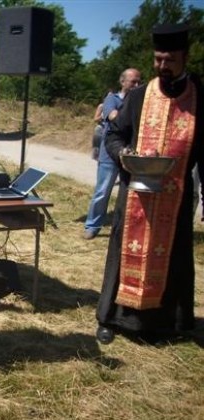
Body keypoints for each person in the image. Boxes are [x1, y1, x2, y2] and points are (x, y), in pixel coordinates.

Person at [95, 23, 204, 345]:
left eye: (169, 60)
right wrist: (125, 154)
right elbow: (114, 135)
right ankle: (111, 320)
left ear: (184, 57)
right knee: (122, 254)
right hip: (135, 195)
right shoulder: (140, 96)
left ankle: (165, 324)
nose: (162, 66)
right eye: (158, 59)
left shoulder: (200, 97)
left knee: (173, 258)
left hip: (177, 194)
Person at [83, 68, 142, 240]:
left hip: (131, 154)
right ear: (123, 82)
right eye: (133, 82)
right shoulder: (112, 99)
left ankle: (127, 229)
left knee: (130, 194)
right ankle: (92, 225)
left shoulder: (140, 101)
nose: (137, 85)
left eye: (139, 81)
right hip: (110, 154)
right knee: (102, 191)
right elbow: (113, 116)